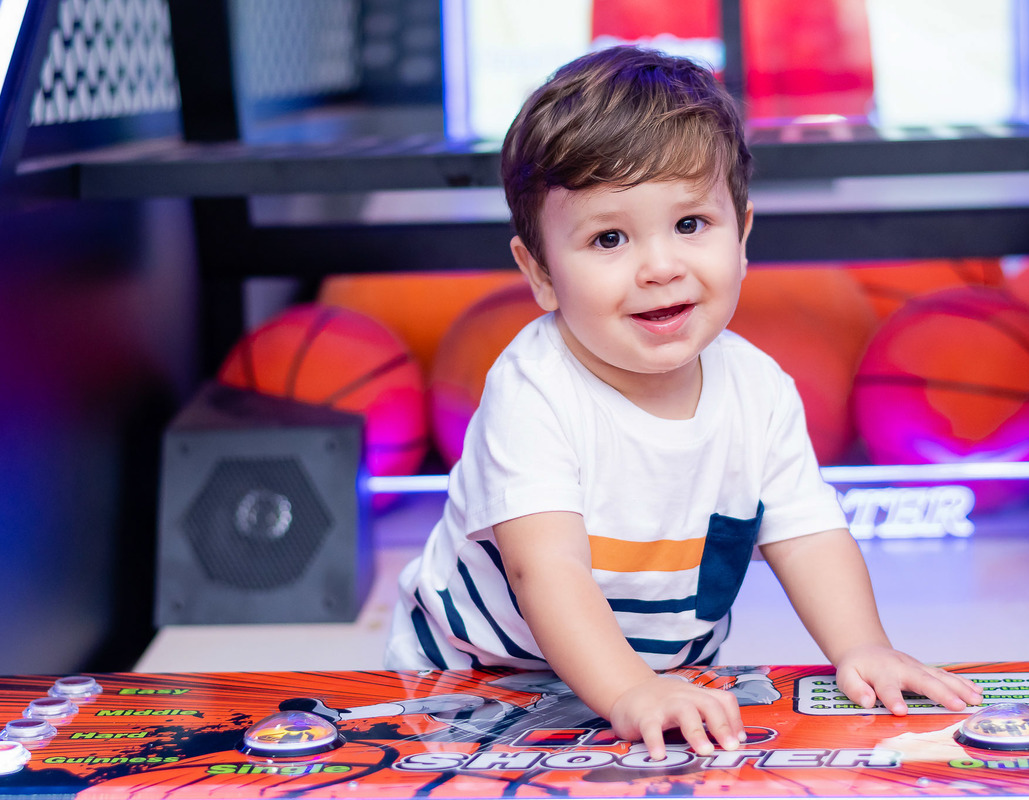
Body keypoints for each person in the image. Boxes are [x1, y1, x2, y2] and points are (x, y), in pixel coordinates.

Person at [385, 45, 981, 759]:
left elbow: (809, 534)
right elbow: (546, 570)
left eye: (691, 225)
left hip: (659, 675)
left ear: (743, 236)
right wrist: (627, 689)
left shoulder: (758, 390)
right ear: (540, 273)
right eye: (609, 238)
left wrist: (864, 645)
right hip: (478, 677)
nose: (661, 267)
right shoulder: (533, 390)